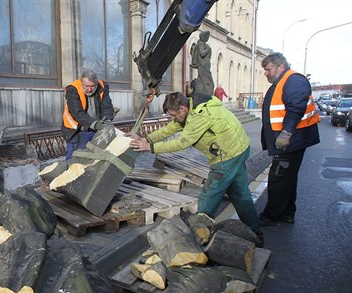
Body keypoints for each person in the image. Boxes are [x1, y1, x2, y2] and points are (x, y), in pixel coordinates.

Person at [129, 88, 262, 238]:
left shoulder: (200, 115)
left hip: (227, 155)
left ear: (182, 108)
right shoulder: (188, 112)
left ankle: (199, 234)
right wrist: (147, 139)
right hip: (239, 149)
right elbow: (168, 130)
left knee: (210, 194)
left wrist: (150, 147)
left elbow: (182, 142)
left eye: (174, 115)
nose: (173, 118)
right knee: (239, 193)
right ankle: (255, 231)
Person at [258, 52, 320, 226]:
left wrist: (286, 134)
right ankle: (287, 213)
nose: (266, 73)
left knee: (278, 177)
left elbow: (295, 108)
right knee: (288, 177)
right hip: (289, 140)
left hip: (290, 141)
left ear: (280, 66)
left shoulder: (294, 81)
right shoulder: (283, 82)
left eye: (268, 69)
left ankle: (270, 215)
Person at [61, 69, 115, 160]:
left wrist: (108, 120)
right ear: (81, 82)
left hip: (95, 131)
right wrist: (95, 124)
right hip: (76, 131)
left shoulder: (103, 87)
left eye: (93, 86)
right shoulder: (73, 89)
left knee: (94, 160)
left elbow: (107, 107)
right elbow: (77, 113)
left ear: (97, 83)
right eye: (87, 86)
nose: (89, 89)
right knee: (74, 160)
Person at [191, 31, 214, 97]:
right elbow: (202, 53)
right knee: (208, 81)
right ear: (203, 37)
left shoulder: (201, 44)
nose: (208, 38)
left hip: (204, 65)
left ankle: (200, 94)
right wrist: (208, 49)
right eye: (207, 37)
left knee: (201, 80)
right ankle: (207, 95)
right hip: (204, 65)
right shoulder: (201, 44)